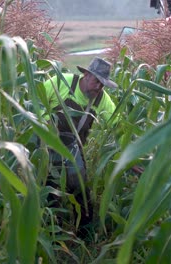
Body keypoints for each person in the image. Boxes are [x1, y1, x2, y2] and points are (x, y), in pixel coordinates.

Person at [42, 57, 118, 230]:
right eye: (96, 81)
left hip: (73, 147)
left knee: (80, 186)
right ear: (86, 74)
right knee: (49, 185)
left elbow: (117, 123)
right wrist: (46, 122)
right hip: (47, 143)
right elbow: (35, 101)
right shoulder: (60, 83)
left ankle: (85, 229)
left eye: (102, 84)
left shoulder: (101, 100)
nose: (98, 87)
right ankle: (54, 227)